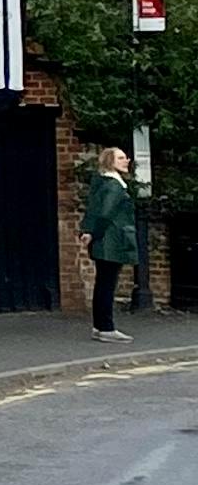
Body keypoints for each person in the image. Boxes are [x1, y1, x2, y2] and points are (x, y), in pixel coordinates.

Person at [80, 144, 140, 339]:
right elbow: (105, 214)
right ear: (110, 162)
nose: (126, 160)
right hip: (111, 241)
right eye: (121, 158)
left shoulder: (103, 183)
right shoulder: (114, 186)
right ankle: (106, 328)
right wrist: (94, 233)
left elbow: (93, 210)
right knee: (107, 285)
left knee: (102, 283)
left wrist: (88, 231)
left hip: (105, 240)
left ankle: (100, 327)